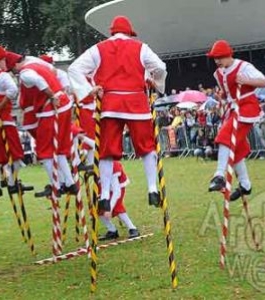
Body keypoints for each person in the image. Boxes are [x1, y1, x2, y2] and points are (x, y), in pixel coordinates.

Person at [68, 15, 167, 211]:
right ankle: (152, 189)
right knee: (146, 148)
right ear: (130, 32)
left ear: (112, 31)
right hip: (136, 103)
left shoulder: (99, 48)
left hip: (110, 105)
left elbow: (74, 68)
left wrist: (89, 90)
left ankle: (104, 194)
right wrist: (156, 82)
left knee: (107, 151)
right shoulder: (141, 47)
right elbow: (160, 67)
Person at [4, 51, 77, 197]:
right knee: (59, 149)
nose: (14, 73)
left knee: (44, 151)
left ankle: (57, 186)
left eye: (12, 69)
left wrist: (51, 96)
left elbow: (39, 81)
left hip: (51, 108)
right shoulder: (36, 62)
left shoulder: (25, 73)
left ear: (16, 65)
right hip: (64, 105)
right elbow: (55, 72)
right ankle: (69, 183)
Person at [206, 40, 265, 201]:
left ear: (228, 55)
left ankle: (219, 174)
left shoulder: (243, 66)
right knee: (237, 148)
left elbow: (263, 81)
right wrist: (222, 99)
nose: (217, 61)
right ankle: (245, 185)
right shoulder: (218, 74)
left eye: (219, 57)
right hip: (233, 108)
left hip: (246, 106)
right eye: (214, 58)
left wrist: (246, 80)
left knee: (225, 137)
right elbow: (227, 95)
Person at [0, 46, 33, 195]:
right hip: (5, 121)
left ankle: (7, 180)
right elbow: (13, 90)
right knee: (16, 154)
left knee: (3, 155)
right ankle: (12, 182)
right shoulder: (3, 75)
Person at [98, 161, 140, 240]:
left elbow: (117, 191)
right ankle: (112, 230)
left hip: (118, 188)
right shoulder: (96, 163)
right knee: (98, 207)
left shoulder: (113, 165)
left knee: (117, 206)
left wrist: (109, 208)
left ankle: (132, 228)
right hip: (104, 188)